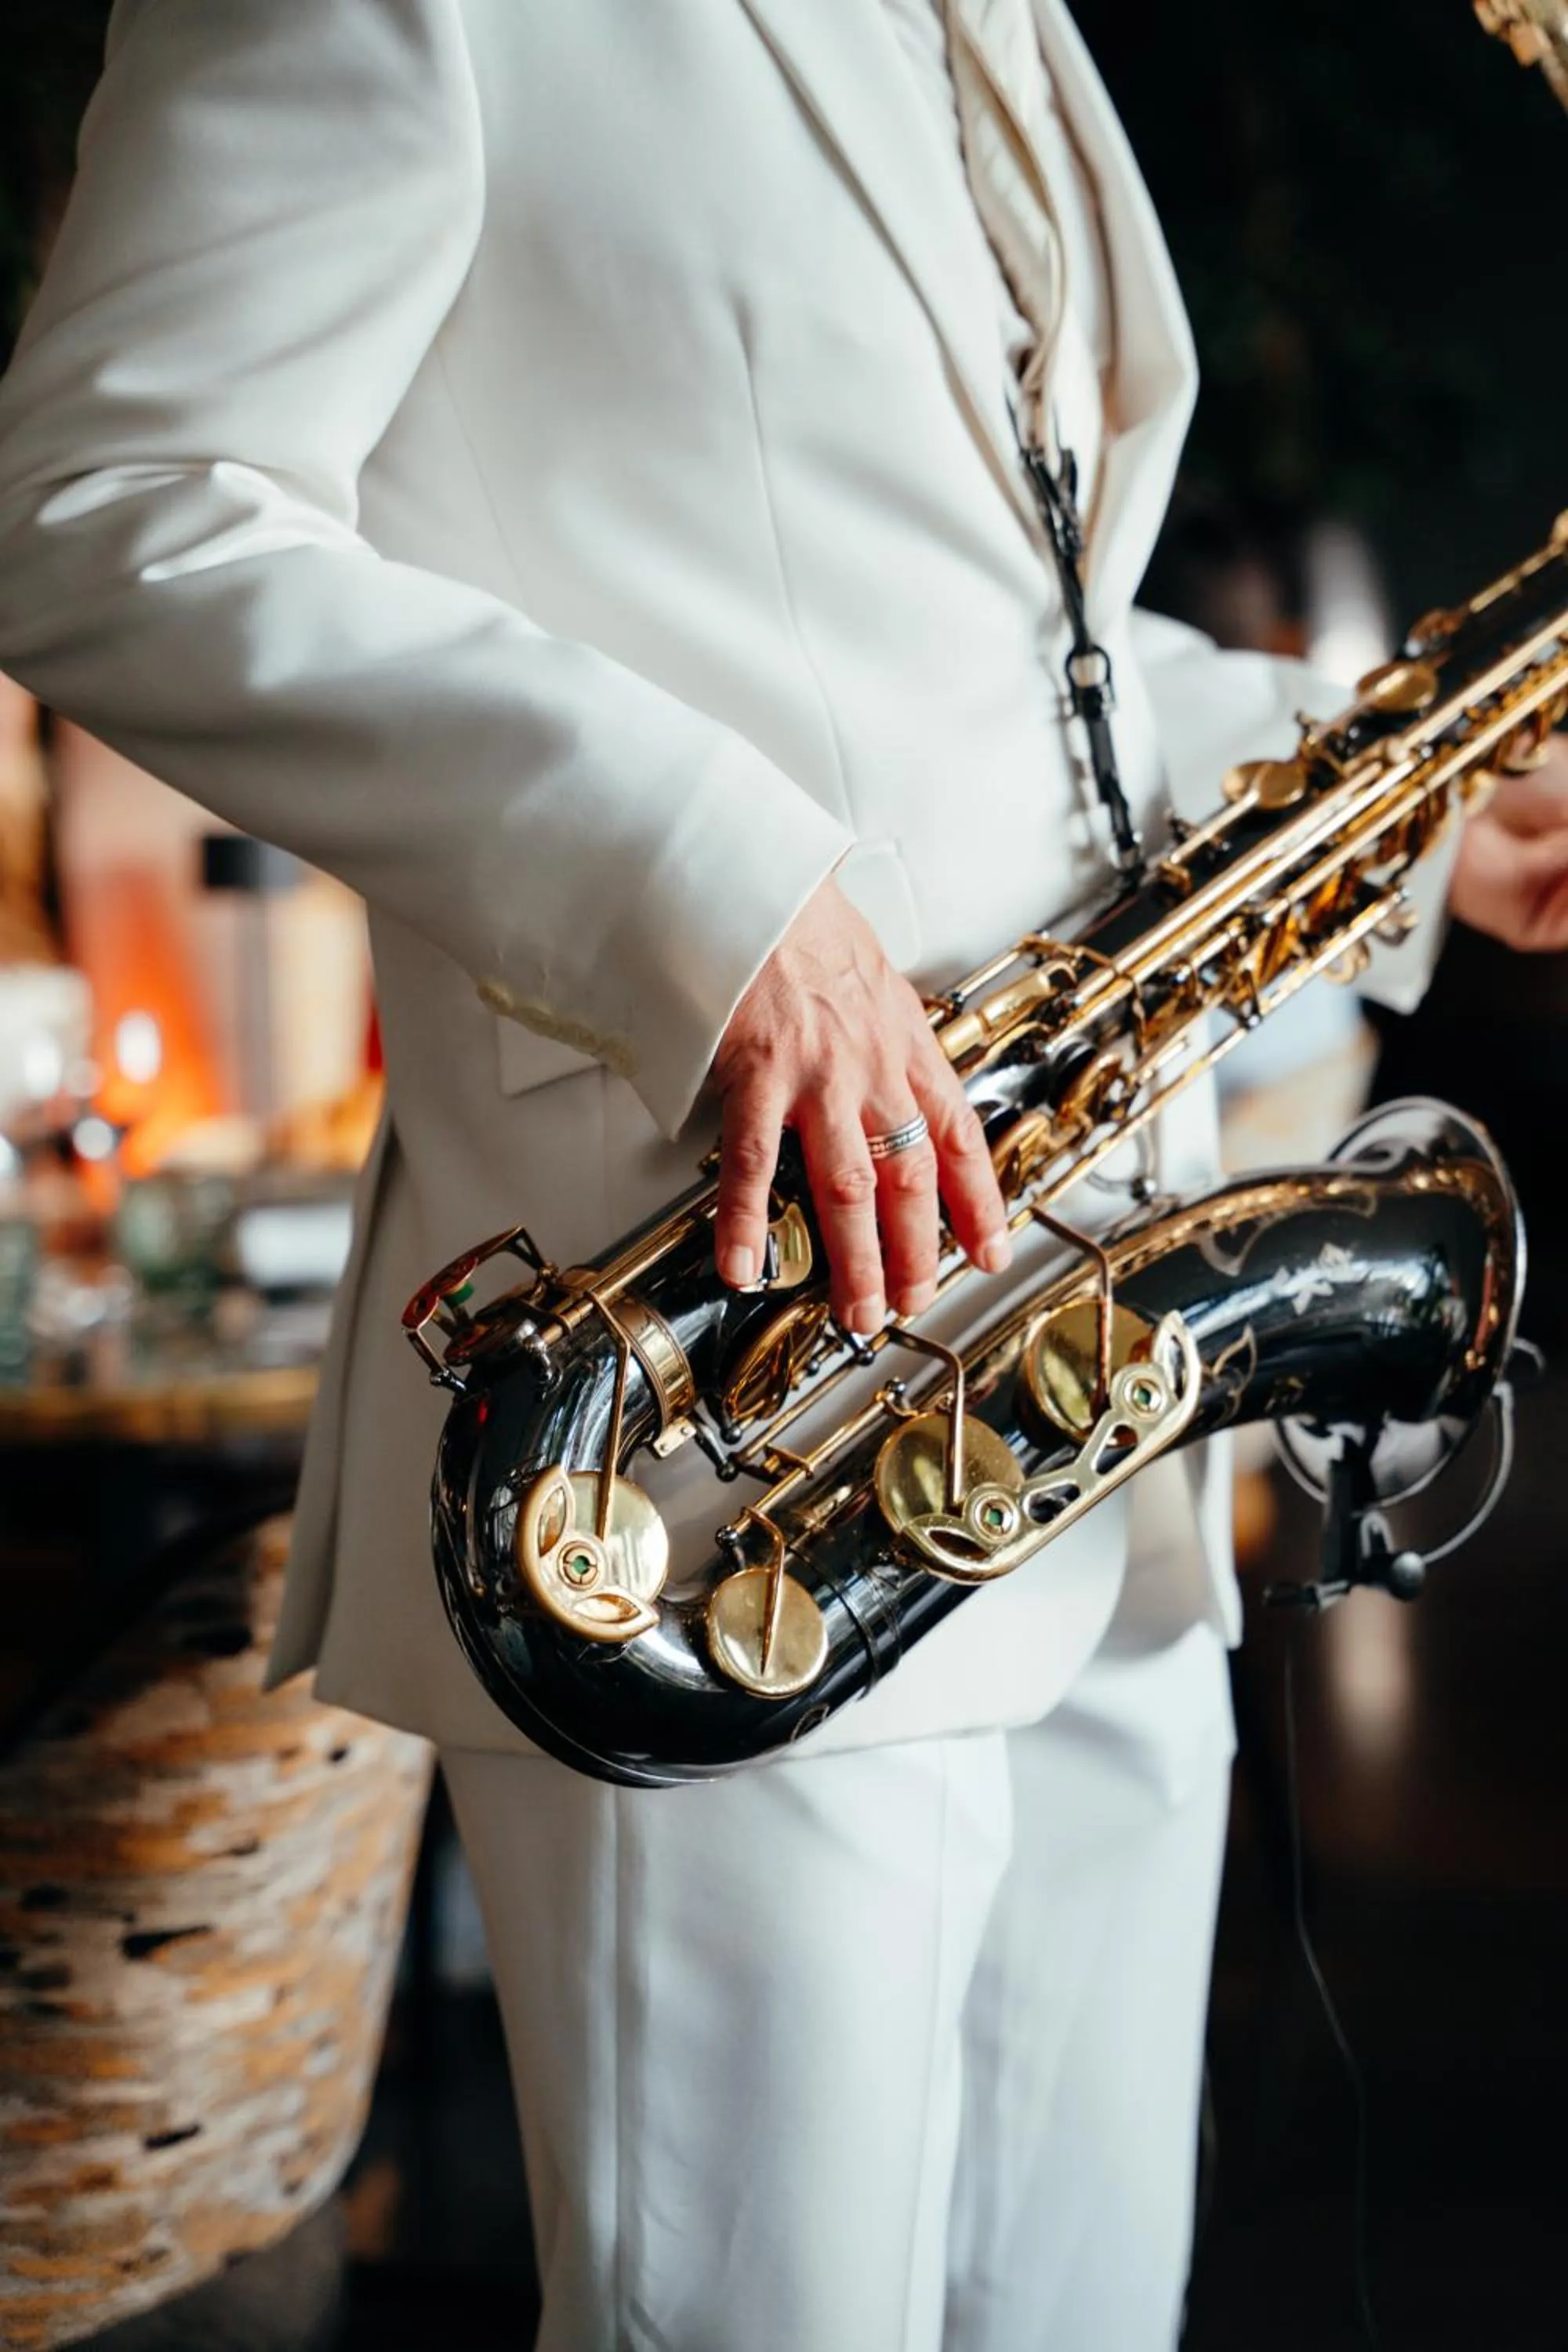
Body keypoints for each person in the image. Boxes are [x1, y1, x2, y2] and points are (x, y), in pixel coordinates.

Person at [0, 4, 1563, 2344]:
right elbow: (105, 504)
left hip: (1093, 1418)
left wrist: (1409, 802)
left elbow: (969, 653)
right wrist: (701, 898)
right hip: (728, 1448)